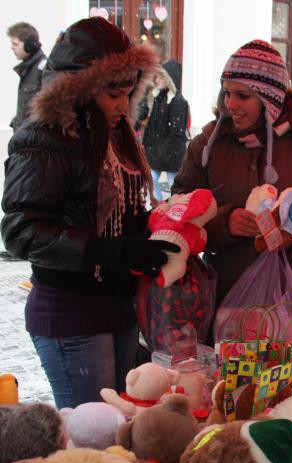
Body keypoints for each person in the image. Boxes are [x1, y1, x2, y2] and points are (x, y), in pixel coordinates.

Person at [0, 18, 179, 409]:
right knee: (93, 430)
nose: (122, 105)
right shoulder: (44, 137)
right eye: (113, 94)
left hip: (118, 306)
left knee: (121, 423)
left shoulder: (115, 135)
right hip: (71, 311)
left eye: (128, 93)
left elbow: (117, 210)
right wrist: (109, 251)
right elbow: (20, 232)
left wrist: (155, 229)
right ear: (79, 89)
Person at [172, 40, 292, 319]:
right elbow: (177, 214)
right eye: (227, 93)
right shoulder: (208, 146)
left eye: (243, 96)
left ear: (269, 100)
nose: (231, 104)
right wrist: (225, 223)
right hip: (223, 304)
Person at [141, 60, 190, 201]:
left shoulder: (179, 101)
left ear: (170, 79)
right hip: (158, 152)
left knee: (174, 185)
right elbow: (152, 126)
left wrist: (162, 151)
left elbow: (177, 132)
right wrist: (148, 145)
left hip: (171, 154)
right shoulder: (159, 98)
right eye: (156, 76)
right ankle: (159, 205)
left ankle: (174, 207)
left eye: (161, 77)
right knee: (151, 179)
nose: (157, 80)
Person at [7, 22, 47, 132]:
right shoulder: (28, 70)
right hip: (23, 137)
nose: (11, 48)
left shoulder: (44, 69)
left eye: (15, 44)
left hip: (33, 138)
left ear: (30, 45)